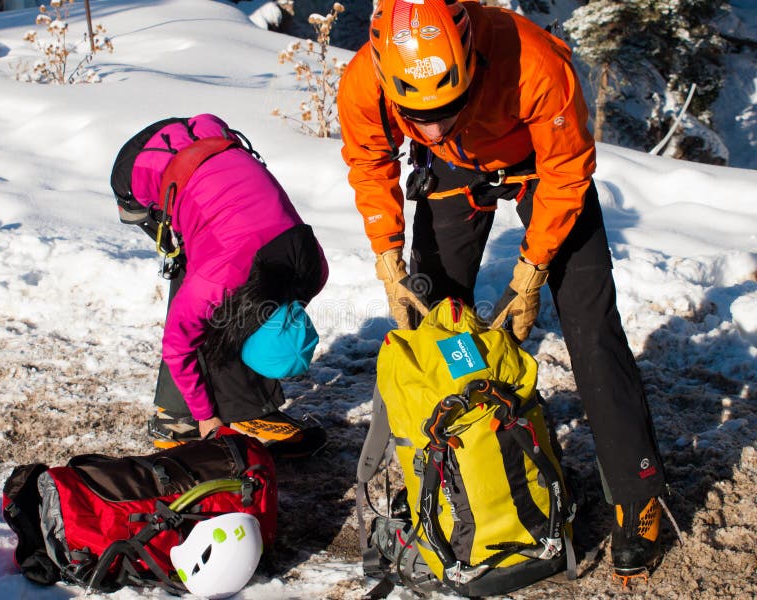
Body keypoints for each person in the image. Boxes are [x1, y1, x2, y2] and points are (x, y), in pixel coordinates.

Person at [337, 0, 667, 582]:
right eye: (420, 114)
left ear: (470, 58)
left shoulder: (535, 64)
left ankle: (637, 496)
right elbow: (370, 161)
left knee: (591, 328)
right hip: (455, 167)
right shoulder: (365, 79)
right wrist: (387, 254)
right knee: (435, 322)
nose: (433, 124)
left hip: (542, 164)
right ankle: (444, 477)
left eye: (447, 105)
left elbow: (568, 170)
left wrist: (533, 268)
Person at [112, 114, 328, 458]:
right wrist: (207, 417)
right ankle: (180, 418)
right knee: (203, 311)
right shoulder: (217, 280)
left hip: (202, 136)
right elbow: (178, 346)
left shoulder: (312, 269)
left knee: (215, 306)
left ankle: (241, 407)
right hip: (142, 164)